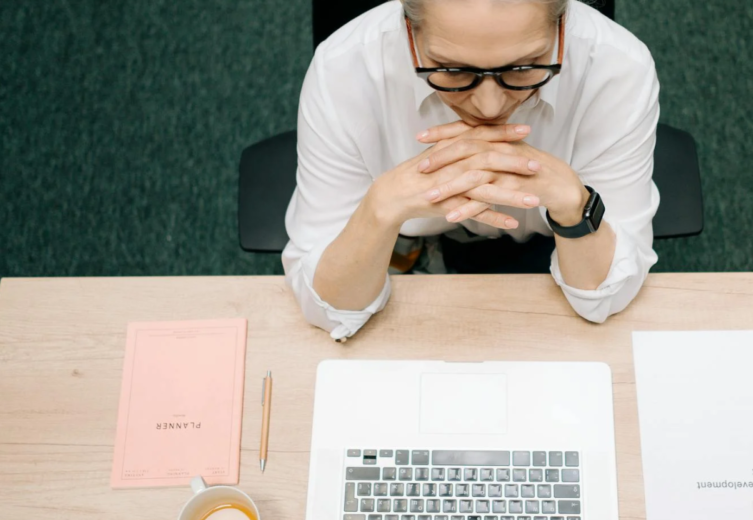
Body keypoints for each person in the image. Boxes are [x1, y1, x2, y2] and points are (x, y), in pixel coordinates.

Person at [283, 0, 660, 340]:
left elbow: (604, 297)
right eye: (453, 71)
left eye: (523, 68)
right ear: (408, 33)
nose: (490, 106)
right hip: (403, 250)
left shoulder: (618, 67)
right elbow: (329, 309)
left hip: (547, 250)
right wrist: (379, 209)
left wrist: (574, 205)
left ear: (562, 28)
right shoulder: (343, 70)